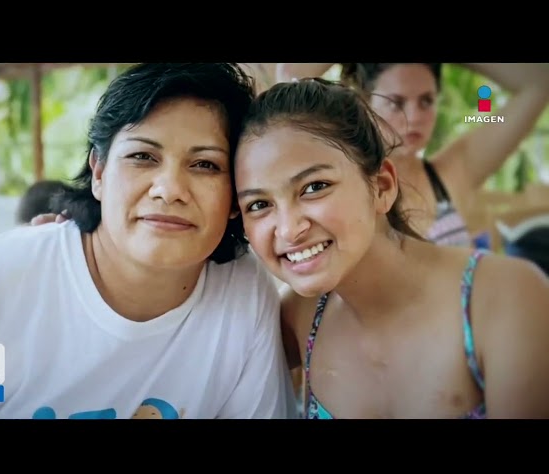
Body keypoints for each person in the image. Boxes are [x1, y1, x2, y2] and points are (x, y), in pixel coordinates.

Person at [0, 63, 296, 419]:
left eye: (205, 164)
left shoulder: (241, 296)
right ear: (99, 172)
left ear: (237, 193)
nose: (170, 189)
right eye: (143, 156)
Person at [233, 78, 549, 419]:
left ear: (382, 187)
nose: (289, 229)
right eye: (259, 204)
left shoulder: (502, 298)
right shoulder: (300, 316)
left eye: (315, 186)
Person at [275, 63, 549, 247]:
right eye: (396, 102)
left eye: (426, 101)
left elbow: (540, 81)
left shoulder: (455, 172)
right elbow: (287, 75)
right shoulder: (332, 186)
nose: (415, 116)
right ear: (361, 101)